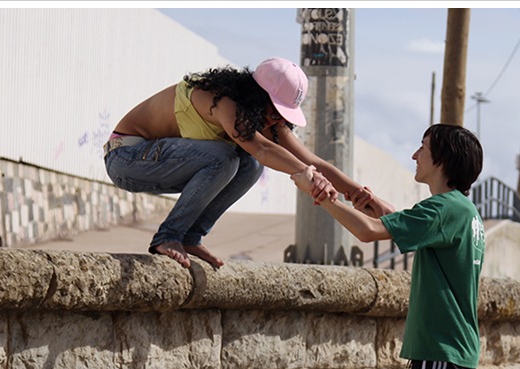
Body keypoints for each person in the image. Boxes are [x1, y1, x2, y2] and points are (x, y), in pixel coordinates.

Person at [292, 123, 485, 369]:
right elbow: (402, 223)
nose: (415, 155)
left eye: (423, 148)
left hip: (441, 355)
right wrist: (372, 202)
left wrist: (323, 196)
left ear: (442, 160)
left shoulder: (445, 209)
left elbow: (367, 233)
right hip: (448, 356)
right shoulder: (461, 211)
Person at [103, 57, 393, 268]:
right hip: (126, 157)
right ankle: (168, 236)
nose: (277, 120)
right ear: (257, 95)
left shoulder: (266, 120)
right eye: (275, 111)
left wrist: (361, 195)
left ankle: (191, 236)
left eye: (283, 115)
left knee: (250, 164)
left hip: (156, 162)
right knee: (226, 158)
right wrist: (308, 177)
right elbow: (264, 149)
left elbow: (312, 160)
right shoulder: (220, 101)